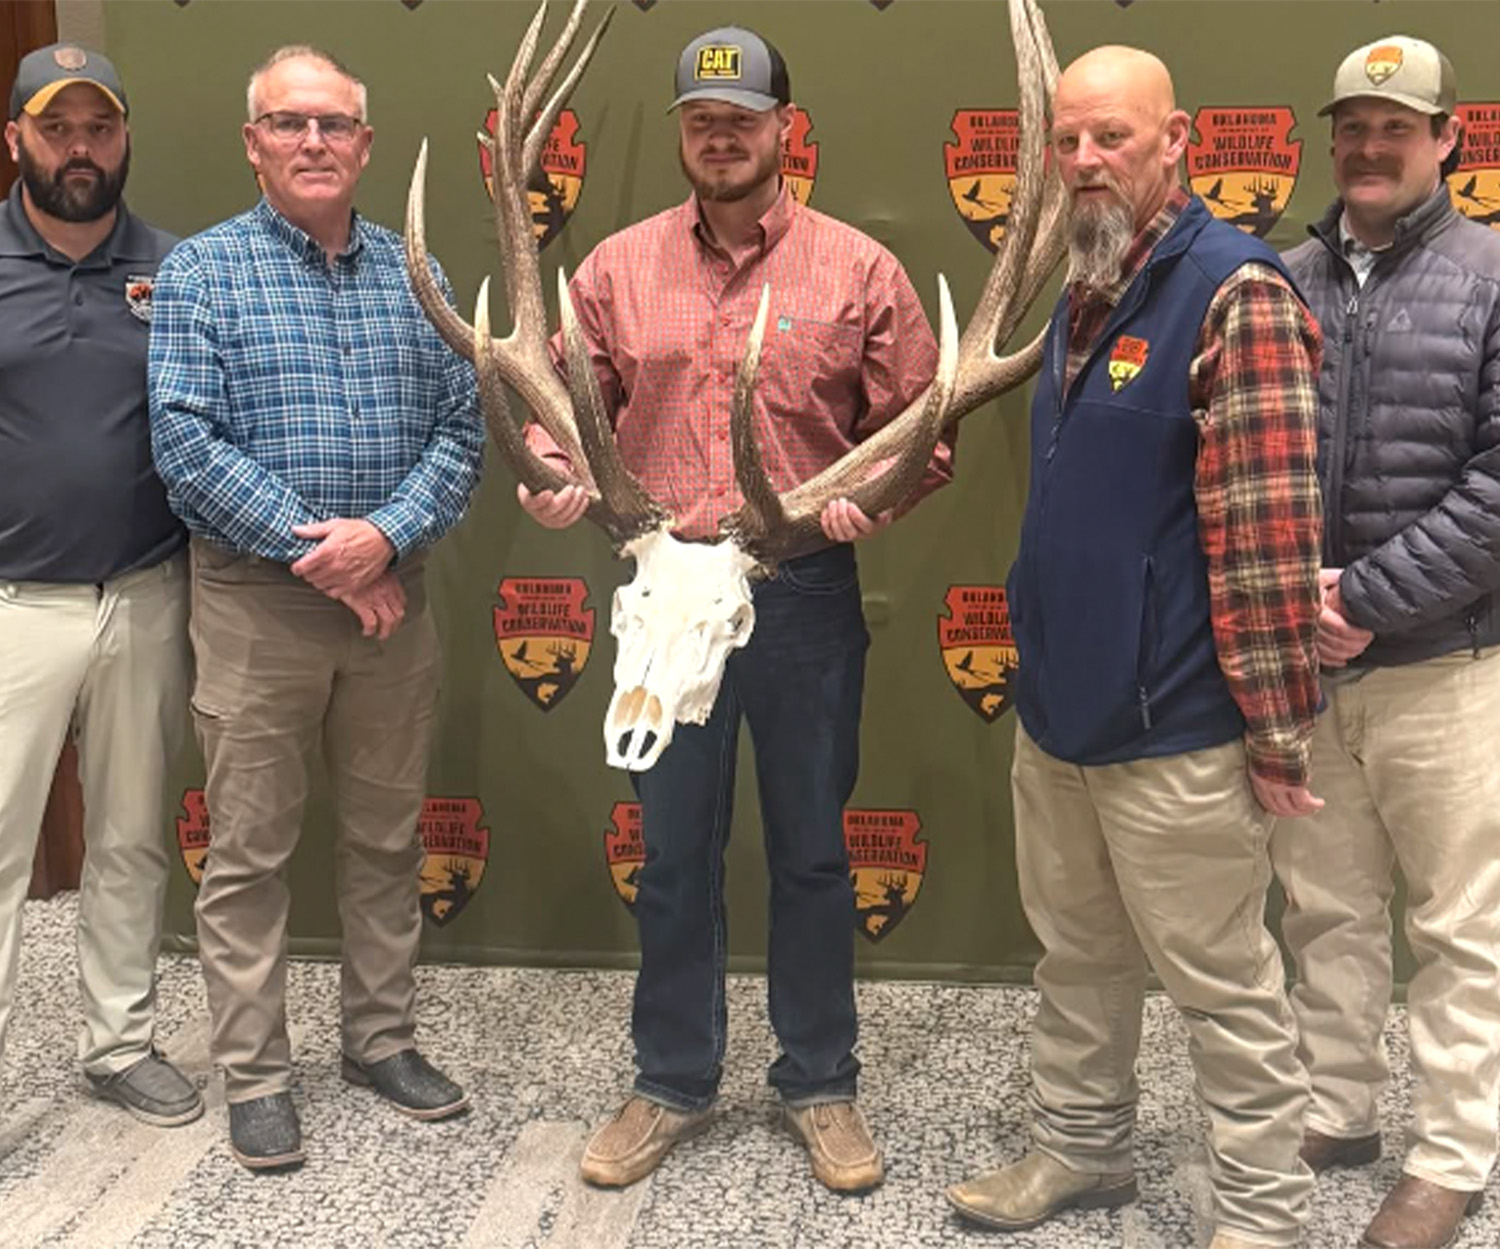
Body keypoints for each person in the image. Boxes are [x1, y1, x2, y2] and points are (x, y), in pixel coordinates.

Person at [521, 26, 949, 1193]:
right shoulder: (613, 268)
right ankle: (671, 1077)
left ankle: (820, 1080)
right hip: (666, 590)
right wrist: (556, 465)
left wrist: (876, 494)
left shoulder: (859, 269)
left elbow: (925, 427)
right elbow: (560, 400)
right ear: (682, 132)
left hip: (800, 589)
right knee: (671, 852)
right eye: (703, 118)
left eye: (745, 116)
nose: (723, 134)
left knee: (813, 850)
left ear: (782, 130)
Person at [944, 46, 1325, 1250]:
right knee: (1078, 958)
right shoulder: (1084, 285)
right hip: (1064, 714)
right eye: (1067, 143)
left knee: (1224, 988)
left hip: (1179, 732)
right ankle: (1082, 1146)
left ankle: (1262, 1214)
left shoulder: (1236, 294)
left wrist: (1275, 733)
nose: (1085, 162)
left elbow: (1268, 540)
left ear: (1179, 142)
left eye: (1112, 137)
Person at [148, 45, 483, 1172]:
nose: (312, 143)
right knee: (247, 851)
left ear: (366, 144)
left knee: (387, 838)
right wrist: (331, 553)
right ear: (253, 143)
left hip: (393, 605)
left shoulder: (415, 273)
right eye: (288, 124)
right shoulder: (202, 273)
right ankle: (255, 1074)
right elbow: (185, 445)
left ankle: (379, 1041)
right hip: (256, 606)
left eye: (334, 125)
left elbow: (461, 434)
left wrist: (384, 538)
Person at [1270, 35, 1500, 1250]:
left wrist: (1364, 594)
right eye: (1351, 125)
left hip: (1448, 663)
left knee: (1460, 925)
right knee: (1326, 905)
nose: (1368, 146)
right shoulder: (1282, 278)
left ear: (1447, 138)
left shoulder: (1493, 273)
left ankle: (1451, 1157)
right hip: (1308, 673)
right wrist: (1292, 607)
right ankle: (1338, 1107)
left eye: (1394, 127)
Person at [0, 43, 201, 1129]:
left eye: (99, 128)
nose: (80, 150)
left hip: (145, 593)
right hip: (12, 605)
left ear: (125, 137)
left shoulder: (177, 270)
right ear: (17, 140)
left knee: (128, 833)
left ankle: (118, 1042)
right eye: (56, 128)